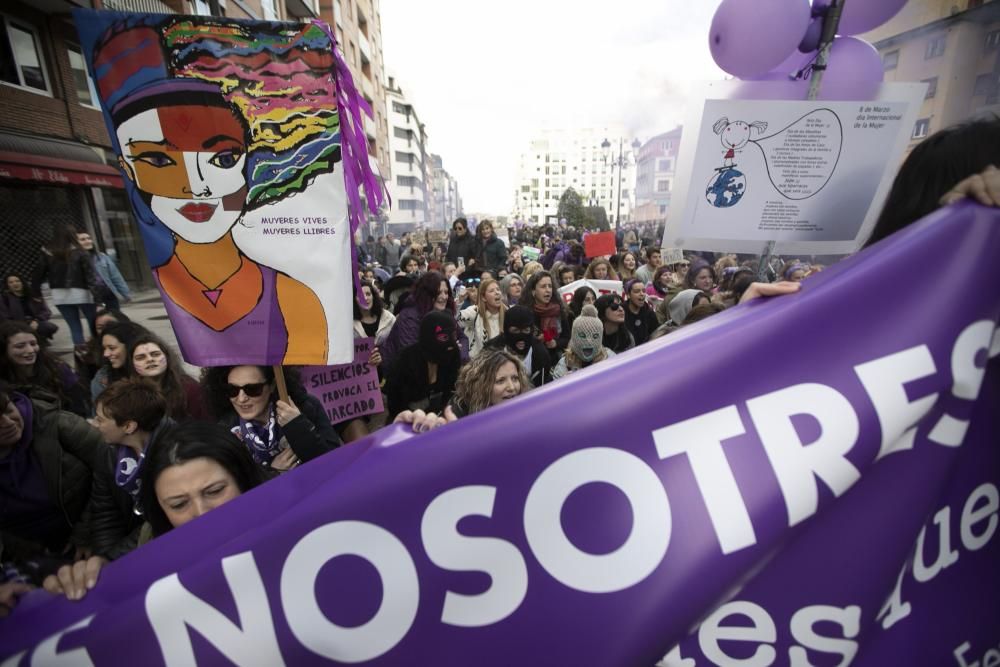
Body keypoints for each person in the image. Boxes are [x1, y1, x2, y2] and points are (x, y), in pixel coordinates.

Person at [93, 26, 328, 364]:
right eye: (160, 161)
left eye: (223, 159)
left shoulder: (294, 298)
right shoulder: (151, 303)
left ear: (248, 165)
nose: (196, 186)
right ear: (128, 170)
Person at [43, 421, 268, 601]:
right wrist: (100, 577)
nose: (201, 513)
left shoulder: (296, 510)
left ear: (242, 478)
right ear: (160, 508)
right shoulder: (148, 542)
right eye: (179, 504)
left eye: (215, 491)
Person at [0, 383, 103, 579]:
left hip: (92, 536)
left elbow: (110, 469)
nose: (8, 423)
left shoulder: (60, 426)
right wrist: (30, 555)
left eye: (8, 410)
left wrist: (86, 533)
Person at [89, 378, 173, 560]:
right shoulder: (108, 451)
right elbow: (105, 511)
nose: (95, 424)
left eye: (101, 419)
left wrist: (115, 559)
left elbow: (160, 522)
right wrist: (105, 559)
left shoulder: (176, 453)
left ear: (128, 426)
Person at [202, 365, 341, 470]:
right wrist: (273, 473)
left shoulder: (305, 407)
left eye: (253, 389)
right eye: (232, 390)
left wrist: (298, 426)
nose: (241, 398)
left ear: (272, 386)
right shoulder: (226, 431)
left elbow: (335, 464)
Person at [384, 311, 462, 420]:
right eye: (444, 337)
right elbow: (395, 405)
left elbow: (450, 394)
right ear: (429, 337)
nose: (451, 344)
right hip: (406, 422)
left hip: (440, 421)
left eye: (453, 336)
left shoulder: (453, 355)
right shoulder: (405, 361)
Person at [1, 321, 89, 417]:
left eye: (33, 344)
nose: (30, 350)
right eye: (20, 346)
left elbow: (78, 408)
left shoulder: (59, 370)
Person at [380, 271, 468, 368]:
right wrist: (448, 349)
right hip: (402, 374)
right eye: (438, 292)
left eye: (446, 292)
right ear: (426, 294)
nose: (444, 297)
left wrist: (459, 355)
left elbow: (462, 338)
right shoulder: (409, 317)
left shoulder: (445, 313)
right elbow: (411, 354)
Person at [32, 224, 98, 346]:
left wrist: (36, 292)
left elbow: (38, 274)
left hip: (59, 295)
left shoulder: (47, 252)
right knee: (93, 324)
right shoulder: (81, 252)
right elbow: (90, 276)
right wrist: (98, 297)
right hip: (83, 293)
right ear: (73, 235)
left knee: (74, 327)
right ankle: (97, 353)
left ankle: (80, 355)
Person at [127, 332, 207, 420]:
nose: (150, 359)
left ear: (167, 358)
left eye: (156, 354)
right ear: (132, 364)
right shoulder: (128, 394)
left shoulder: (189, 388)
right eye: (141, 357)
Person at [447, 349, 532, 418]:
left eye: (515, 379)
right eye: (500, 381)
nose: (511, 387)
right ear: (480, 385)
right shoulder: (459, 414)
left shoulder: (528, 411)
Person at [483, 305, 554, 387]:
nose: (521, 336)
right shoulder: (490, 352)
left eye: (526, 330)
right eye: (515, 331)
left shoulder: (541, 355)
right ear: (506, 330)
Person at [551, 305, 615, 379]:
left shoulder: (610, 358)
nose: (589, 341)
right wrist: (564, 382)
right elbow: (557, 387)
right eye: (582, 335)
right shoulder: (565, 363)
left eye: (595, 336)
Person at [91, 321, 147, 403]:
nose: (105, 354)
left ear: (131, 346)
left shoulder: (156, 371)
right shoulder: (103, 377)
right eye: (104, 348)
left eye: (112, 348)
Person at [519, 270, 570, 357]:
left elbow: (567, 338)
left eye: (550, 286)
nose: (548, 290)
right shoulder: (525, 313)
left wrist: (555, 343)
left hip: (557, 359)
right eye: (543, 287)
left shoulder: (558, 309)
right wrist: (537, 341)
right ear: (533, 291)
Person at [76, 231, 131, 310]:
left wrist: (125, 293)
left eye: (89, 238)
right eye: (83, 239)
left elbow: (115, 276)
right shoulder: (74, 260)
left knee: (116, 319)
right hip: (90, 297)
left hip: (107, 292)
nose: (87, 241)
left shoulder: (102, 257)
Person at [1, 273, 57, 341]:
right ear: (7, 285)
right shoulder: (4, 298)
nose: (15, 284)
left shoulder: (33, 295)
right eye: (11, 282)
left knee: (49, 327)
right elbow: (5, 317)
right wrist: (20, 325)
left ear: (22, 282)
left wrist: (36, 321)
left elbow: (46, 311)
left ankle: (40, 338)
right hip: (16, 324)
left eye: (17, 281)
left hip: (34, 322)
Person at [459, 277, 506, 358]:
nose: (497, 292)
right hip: (479, 365)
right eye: (492, 291)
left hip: (502, 365)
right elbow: (453, 320)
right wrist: (459, 301)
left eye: (498, 289)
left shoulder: (508, 313)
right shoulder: (475, 311)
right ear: (483, 297)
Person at [623, 278, 659, 346]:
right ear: (628, 295)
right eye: (637, 291)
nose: (642, 294)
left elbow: (656, 335)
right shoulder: (621, 312)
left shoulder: (649, 313)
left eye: (643, 291)